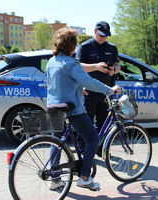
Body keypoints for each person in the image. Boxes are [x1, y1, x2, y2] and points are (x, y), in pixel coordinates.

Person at [45, 27, 121, 191]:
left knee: (56, 141)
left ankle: (55, 178)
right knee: (93, 139)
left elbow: (59, 82)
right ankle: (85, 177)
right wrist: (110, 90)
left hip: (53, 106)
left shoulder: (52, 61)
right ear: (71, 45)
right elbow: (89, 81)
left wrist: (78, 89)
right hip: (71, 108)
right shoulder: (71, 63)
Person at [76, 21, 121, 154]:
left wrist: (114, 69)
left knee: (104, 122)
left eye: (106, 36)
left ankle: (101, 149)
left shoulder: (112, 47)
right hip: (88, 91)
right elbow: (78, 67)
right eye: (101, 35)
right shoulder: (85, 47)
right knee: (86, 122)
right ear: (95, 31)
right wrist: (96, 66)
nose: (104, 38)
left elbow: (118, 65)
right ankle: (83, 150)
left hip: (106, 91)